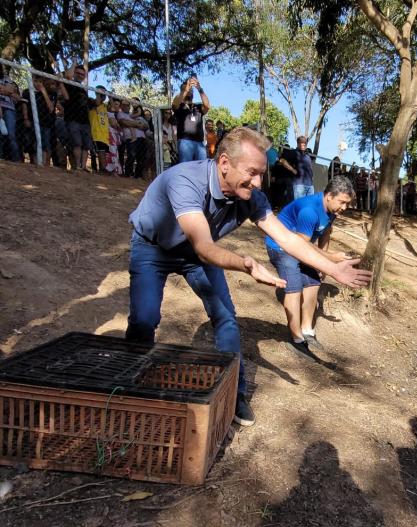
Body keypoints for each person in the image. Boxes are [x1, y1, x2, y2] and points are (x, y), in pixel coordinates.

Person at [125, 127, 371, 427]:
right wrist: (246, 264)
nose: (257, 182)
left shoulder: (252, 196)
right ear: (224, 163)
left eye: (261, 173)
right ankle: (131, 382)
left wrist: (333, 269)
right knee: (144, 318)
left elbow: (289, 240)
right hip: (154, 247)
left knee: (227, 318)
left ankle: (234, 393)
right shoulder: (185, 180)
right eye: (252, 172)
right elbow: (203, 247)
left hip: (197, 254)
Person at [265, 176, 354, 357]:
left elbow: (325, 234)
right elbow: (301, 243)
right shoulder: (309, 210)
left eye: (347, 203)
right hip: (281, 247)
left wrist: (322, 265)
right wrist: (330, 259)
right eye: (342, 202)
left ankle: (307, 331)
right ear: (328, 195)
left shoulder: (332, 210)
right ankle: (296, 338)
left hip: (300, 246)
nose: (344, 208)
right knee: (294, 286)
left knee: (313, 282)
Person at [171, 74, 209, 163]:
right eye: (185, 89)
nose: (189, 91)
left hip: (199, 143)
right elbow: (175, 104)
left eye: (190, 89)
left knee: (201, 168)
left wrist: (199, 89)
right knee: (185, 168)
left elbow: (207, 106)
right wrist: (185, 90)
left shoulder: (198, 107)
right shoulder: (179, 106)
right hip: (185, 141)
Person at [278, 135, 315, 200]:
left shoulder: (307, 156)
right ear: (298, 143)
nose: (304, 144)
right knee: (299, 205)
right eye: (302, 142)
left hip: (310, 185)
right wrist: (293, 170)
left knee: (309, 205)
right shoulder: (293, 152)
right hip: (299, 184)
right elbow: (282, 160)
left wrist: (312, 177)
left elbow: (310, 167)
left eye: (305, 143)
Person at [88, 85, 113, 172]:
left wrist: (110, 97)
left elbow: (112, 108)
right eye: (101, 93)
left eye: (103, 94)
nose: (103, 96)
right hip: (96, 133)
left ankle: (102, 169)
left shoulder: (105, 106)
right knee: (99, 151)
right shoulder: (92, 102)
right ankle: (102, 169)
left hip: (104, 134)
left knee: (104, 152)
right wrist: (98, 93)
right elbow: (97, 103)